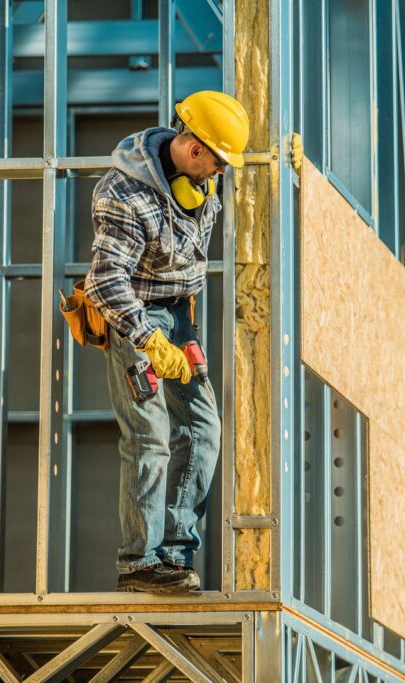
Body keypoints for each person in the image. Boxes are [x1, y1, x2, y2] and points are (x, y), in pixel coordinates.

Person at [84, 90, 249, 593]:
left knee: (204, 429)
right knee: (150, 436)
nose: (220, 173)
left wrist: (181, 332)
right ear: (194, 148)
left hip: (181, 319)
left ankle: (174, 556)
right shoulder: (124, 193)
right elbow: (104, 280)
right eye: (218, 162)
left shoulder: (198, 183)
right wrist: (150, 340)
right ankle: (140, 563)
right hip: (138, 320)